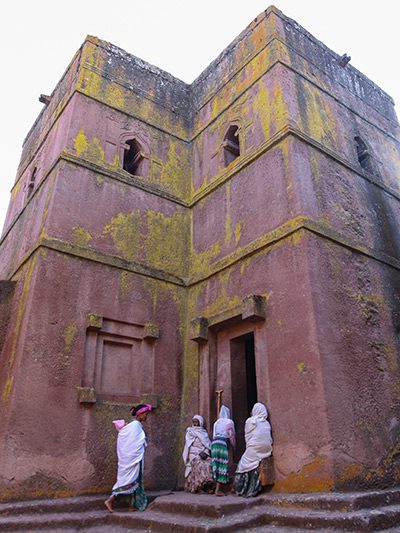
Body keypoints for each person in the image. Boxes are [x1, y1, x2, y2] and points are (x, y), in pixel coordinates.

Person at [105, 404, 151, 513]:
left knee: (135, 482)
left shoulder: (136, 425)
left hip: (136, 458)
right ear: (139, 415)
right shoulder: (135, 425)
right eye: (145, 414)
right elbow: (130, 443)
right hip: (133, 459)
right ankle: (110, 500)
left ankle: (133, 505)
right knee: (130, 480)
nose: (146, 417)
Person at [234, 402, 272, 498]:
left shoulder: (250, 421)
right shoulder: (266, 423)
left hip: (254, 449)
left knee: (243, 464)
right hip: (266, 450)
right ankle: (255, 487)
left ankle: (243, 489)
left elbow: (248, 437)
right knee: (255, 463)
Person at [182, 415, 214, 493]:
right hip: (194, 455)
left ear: (201, 423)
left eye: (197, 422)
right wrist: (198, 453)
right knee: (200, 464)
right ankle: (198, 487)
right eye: (194, 422)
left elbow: (207, 446)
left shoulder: (203, 433)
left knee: (210, 462)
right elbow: (188, 446)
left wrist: (205, 453)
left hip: (203, 454)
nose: (195, 424)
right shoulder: (190, 432)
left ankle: (207, 487)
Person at [211, 405, 236, 496]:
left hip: (214, 443)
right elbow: (231, 435)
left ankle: (216, 488)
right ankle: (218, 489)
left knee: (215, 464)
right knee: (222, 465)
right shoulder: (229, 422)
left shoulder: (216, 422)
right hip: (223, 443)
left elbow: (214, 435)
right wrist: (234, 446)